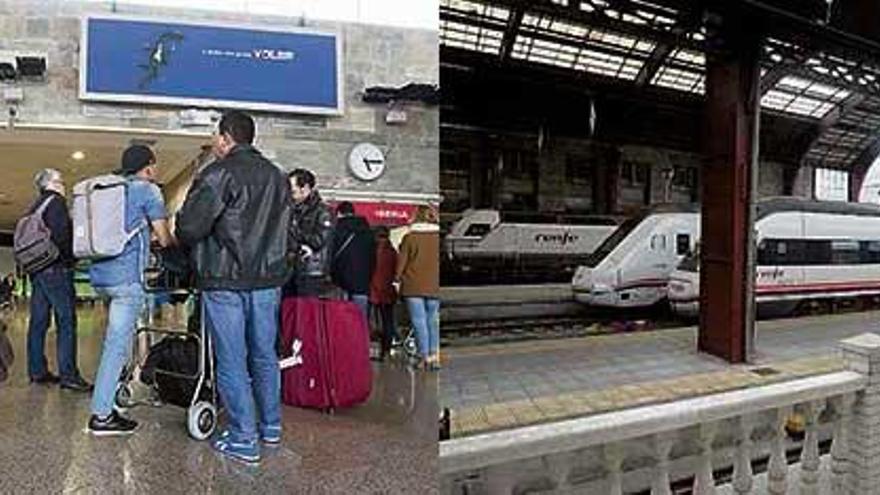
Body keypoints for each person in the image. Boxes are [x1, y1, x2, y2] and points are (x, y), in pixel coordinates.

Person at [177, 111, 291, 464]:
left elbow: (191, 228)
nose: (214, 142)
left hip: (225, 278)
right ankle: (270, 426)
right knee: (264, 355)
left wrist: (180, 222)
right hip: (268, 280)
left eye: (215, 135)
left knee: (231, 359)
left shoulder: (217, 173)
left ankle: (244, 436)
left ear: (226, 138)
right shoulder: (278, 177)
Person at [87, 145, 175, 435]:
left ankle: (110, 400)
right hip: (126, 280)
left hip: (100, 276)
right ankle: (101, 416)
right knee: (116, 346)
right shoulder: (147, 190)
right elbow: (163, 237)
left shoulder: (111, 189)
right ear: (148, 167)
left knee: (116, 344)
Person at [25, 169, 91, 391]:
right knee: (66, 321)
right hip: (55, 269)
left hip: (38, 270)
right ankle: (69, 375)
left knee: (38, 322)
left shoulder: (35, 206)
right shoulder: (56, 202)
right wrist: (72, 260)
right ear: (51, 184)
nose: (63, 185)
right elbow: (62, 236)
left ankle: (37, 371)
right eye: (61, 181)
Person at [396, 205, 441, 370]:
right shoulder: (438, 237)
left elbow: (402, 263)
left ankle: (424, 357)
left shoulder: (410, 237)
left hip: (413, 284)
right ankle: (434, 356)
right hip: (435, 285)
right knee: (433, 320)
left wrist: (396, 279)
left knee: (419, 321)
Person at [283, 168, 333, 298]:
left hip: (311, 272)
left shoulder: (323, 211)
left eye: (292, 191)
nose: (290, 195)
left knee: (306, 313)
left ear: (305, 188)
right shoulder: (291, 209)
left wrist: (293, 229)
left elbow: (319, 240)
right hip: (289, 269)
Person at [329, 201, 375, 319]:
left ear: (339, 213)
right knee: (359, 318)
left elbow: (330, 253)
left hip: (340, 281)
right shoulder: (368, 232)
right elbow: (373, 257)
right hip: (362, 282)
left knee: (340, 317)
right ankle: (359, 336)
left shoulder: (336, 229)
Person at [369, 226, 399, 360]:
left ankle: (369, 349)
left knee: (369, 320)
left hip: (372, 290)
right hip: (388, 291)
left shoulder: (370, 251)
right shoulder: (393, 252)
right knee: (388, 322)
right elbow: (396, 271)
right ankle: (386, 351)